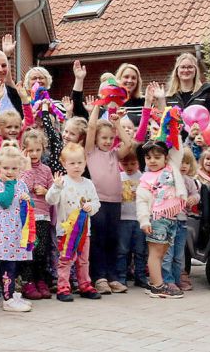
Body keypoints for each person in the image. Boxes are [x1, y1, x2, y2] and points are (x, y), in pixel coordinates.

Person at [84, 104, 134, 294]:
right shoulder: (90, 152)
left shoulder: (115, 154)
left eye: (111, 138)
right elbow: (90, 128)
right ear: (96, 138)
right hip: (97, 203)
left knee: (113, 239)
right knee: (98, 240)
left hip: (115, 203)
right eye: (104, 138)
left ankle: (112, 276)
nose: (107, 141)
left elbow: (128, 144)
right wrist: (96, 108)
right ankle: (99, 277)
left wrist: (117, 123)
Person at [46, 143, 102, 302]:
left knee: (84, 260)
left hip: (85, 231)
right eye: (72, 163)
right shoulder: (61, 182)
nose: (76, 166)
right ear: (64, 164)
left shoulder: (88, 183)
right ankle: (63, 287)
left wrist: (91, 207)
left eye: (80, 162)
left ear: (85, 162)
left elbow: (96, 203)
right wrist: (56, 188)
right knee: (65, 259)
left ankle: (85, 284)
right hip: (65, 231)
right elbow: (50, 200)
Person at [136, 141, 187, 299]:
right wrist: (144, 221)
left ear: (166, 158)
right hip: (156, 218)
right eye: (148, 157)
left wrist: (172, 124)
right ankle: (158, 287)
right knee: (155, 253)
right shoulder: (146, 178)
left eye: (157, 157)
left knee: (163, 252)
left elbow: (178, 148)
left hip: (171, 218)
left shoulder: (172, 168)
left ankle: (154, 282)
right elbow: (142, 201)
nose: (152, 160)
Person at [0, 143, 34, 313]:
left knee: (15, 264)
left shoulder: (21, 184)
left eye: (14, 168)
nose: (9, 171)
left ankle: (13, 293)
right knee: (7, 264)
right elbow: (4, 201)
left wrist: (26, 200)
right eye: (5, 167)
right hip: (5, 232)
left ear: (20, 168)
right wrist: (10, 185)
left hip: (18, 231)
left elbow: (26, 206)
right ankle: (7, 299)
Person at [19, 130, 54, 300]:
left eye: (37, 150)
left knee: (42, 251)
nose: (34, 154)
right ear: (23, 150)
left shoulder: (46, 170)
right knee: (29, 251)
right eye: (30, 150)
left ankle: (41, 280)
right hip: (27, 218)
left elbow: (54, 194)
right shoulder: (21, 169)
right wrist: (27, 168)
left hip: (43, 216)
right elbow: (24, 187)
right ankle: (28, 281)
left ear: (43, 149)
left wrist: (46, 190)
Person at [163, 148, 199, 292]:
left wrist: (194, 199)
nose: (184, 166)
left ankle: (178, 279)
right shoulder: (167, 179)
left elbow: (196, 195)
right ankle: (167, 280)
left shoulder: (189, 181)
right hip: (168, 220)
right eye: (180, 162)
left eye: (187, 163)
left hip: (182, 222)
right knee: (168, 253)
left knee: (179, 254)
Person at [115, 147, 148, 290]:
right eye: (125, 164)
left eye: (132, 164)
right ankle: (121, 277)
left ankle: (140, 277)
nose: (129, 167)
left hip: (139, 219)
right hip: (123, 219)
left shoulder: (143, 178)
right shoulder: (119, 177)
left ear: (138, 163)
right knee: (122, 250)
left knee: (140, 251)